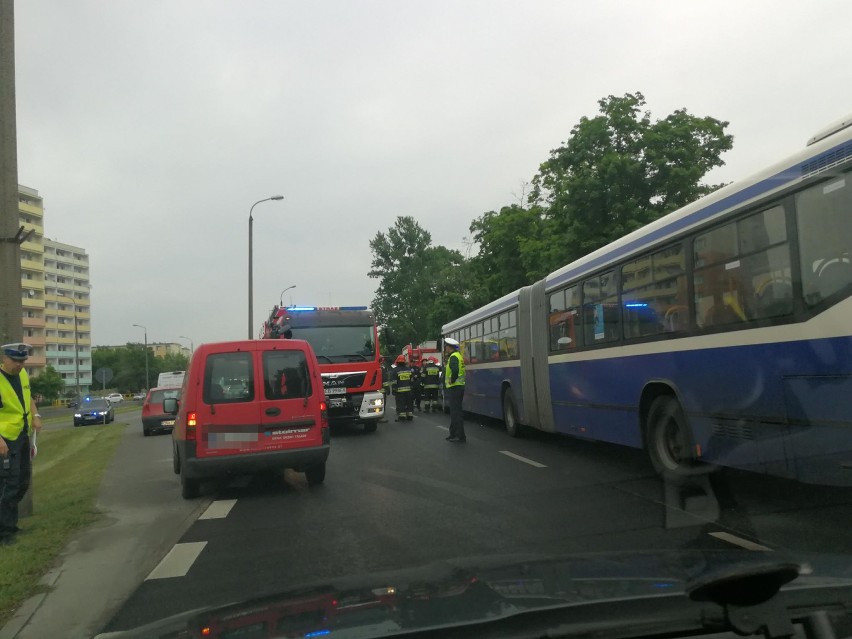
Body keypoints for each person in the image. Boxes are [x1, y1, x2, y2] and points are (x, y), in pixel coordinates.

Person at [0, 343, 42, 546]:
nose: (20, 365)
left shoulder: (23, 375)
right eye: (16, 361)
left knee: (22, 481)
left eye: (23, 361)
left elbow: (29, 397)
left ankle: (11, 524)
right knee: (8, 484)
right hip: (4, 440)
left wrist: (36, 415)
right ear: (4, 359)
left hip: (22, 435)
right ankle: (4, 533)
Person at [443, 338, 466, 443]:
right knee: (455, 411)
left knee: (455, 413)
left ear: (449, 347)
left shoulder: (453, 357)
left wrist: (452, 380)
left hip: (455, 387)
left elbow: (455, 370)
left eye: (446, 346)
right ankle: (453, 434)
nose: (445, 348)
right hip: (459, 387)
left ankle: (459, 436)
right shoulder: (458, 356)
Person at [392, 356, 415, 421]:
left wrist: (393, 390)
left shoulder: (395, 370)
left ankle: (402, 416)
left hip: (400, 391)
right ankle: (410, 415)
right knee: (409, 403)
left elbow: (394, 382)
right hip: (409, 390)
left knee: (401, 403)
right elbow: (412, 380)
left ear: (397, 362)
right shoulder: (409, 369)